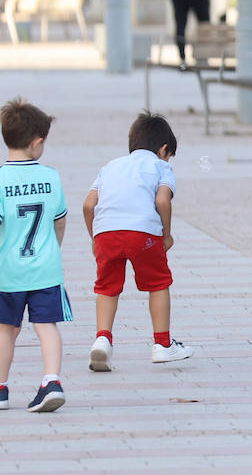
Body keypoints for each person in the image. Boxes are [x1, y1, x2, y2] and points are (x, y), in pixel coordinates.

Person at [82, 111, 194, 371]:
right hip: (143, 233)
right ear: (163, 149)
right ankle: (163, 345)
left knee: (107, 287)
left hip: (106, 233)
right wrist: (166, 235)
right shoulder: (161, 167)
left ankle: (102, 340)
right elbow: (162, 201)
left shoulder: (109, 166)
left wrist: (95, 236)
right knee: (158, 284)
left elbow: (89, 205)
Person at [0, 99, 71, 412]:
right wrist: (53, 250)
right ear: (37, 143)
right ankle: (51, 380)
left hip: (10, 270)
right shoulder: (51, 177)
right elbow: (60, 221)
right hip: (46, 268)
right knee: (47, 325)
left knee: (8, 328)